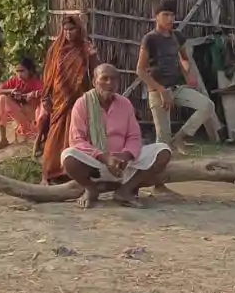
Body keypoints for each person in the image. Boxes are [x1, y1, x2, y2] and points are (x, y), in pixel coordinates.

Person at [61, 64, 172, 209]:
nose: (109, 83)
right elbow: (77, 140)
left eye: (113, 79)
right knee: (68, 156)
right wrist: (105, 158)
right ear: (94, 82)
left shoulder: (125, 104)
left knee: (163, 150)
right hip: (95, 162)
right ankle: (90, 188)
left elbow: (134, 136)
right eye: (104, 78)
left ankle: (125, 190)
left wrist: (125, 156)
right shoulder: (82, 104)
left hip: (123, 162)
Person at [137, 0, 217, 155]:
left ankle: (180, 138)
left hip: (176, 88)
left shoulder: (177, 37)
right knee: (163, 143)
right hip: (158, 92)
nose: (170, 19)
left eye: (172, 15)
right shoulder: (150, 39)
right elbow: (140, 71)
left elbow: (184, 59)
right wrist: (161, 90)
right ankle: (159, 162)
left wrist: (188, 75)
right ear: (156, 16)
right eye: (166, 15)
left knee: (207, 106)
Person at [37, 16, 96, 184]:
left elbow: (96, 71)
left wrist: (92, 55)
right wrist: (45, 96)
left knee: (77, 133)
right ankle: (48, 173)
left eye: (72, 29)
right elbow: (49, 74)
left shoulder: (85, 48)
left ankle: (72, 172)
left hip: (78, 97)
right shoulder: (56, 49)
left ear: (79, 30)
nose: (68, 33)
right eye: (66, 29)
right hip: (59, 98)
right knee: (55, 133)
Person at [0, 58, 43, 151]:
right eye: (17, 71)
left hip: (33, 120)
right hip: (21, 117)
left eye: (22, 71)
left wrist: (31, 95)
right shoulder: (15, 81)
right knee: (2, 98)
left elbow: (45, 93)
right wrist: (11, 91)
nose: (19, 74)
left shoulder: (36, 83)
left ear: (30, 71)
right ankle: (3, 139)